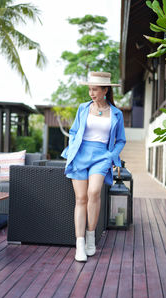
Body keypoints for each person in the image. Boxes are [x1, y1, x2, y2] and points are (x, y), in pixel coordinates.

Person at [61, 71, 126, 262]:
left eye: (95, 89)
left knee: (94, 192)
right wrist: (72, 149)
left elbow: (121, 140)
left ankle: (91, 237)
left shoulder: (116, 113)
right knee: (80, 198)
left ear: (105, 90)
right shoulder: (83, 108)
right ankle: (80, 244)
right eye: (90, 89)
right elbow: (73, 132)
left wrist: (111, 156)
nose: (91, 93)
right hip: (81, 154)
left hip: (101, 156)